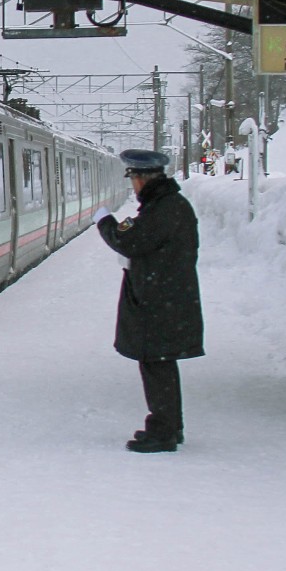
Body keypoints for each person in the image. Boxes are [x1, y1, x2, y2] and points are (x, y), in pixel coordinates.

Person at [94, 149, 203, 453]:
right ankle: (169, 426)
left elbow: (128, 241)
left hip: (159, 303)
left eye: (133, 179)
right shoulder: (168, 205)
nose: (133, 186)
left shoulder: (164, 209)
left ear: (141, 179)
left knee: (156, 366)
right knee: (160, 365)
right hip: (165, 299)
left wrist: (105, 222)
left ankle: (164, 431)